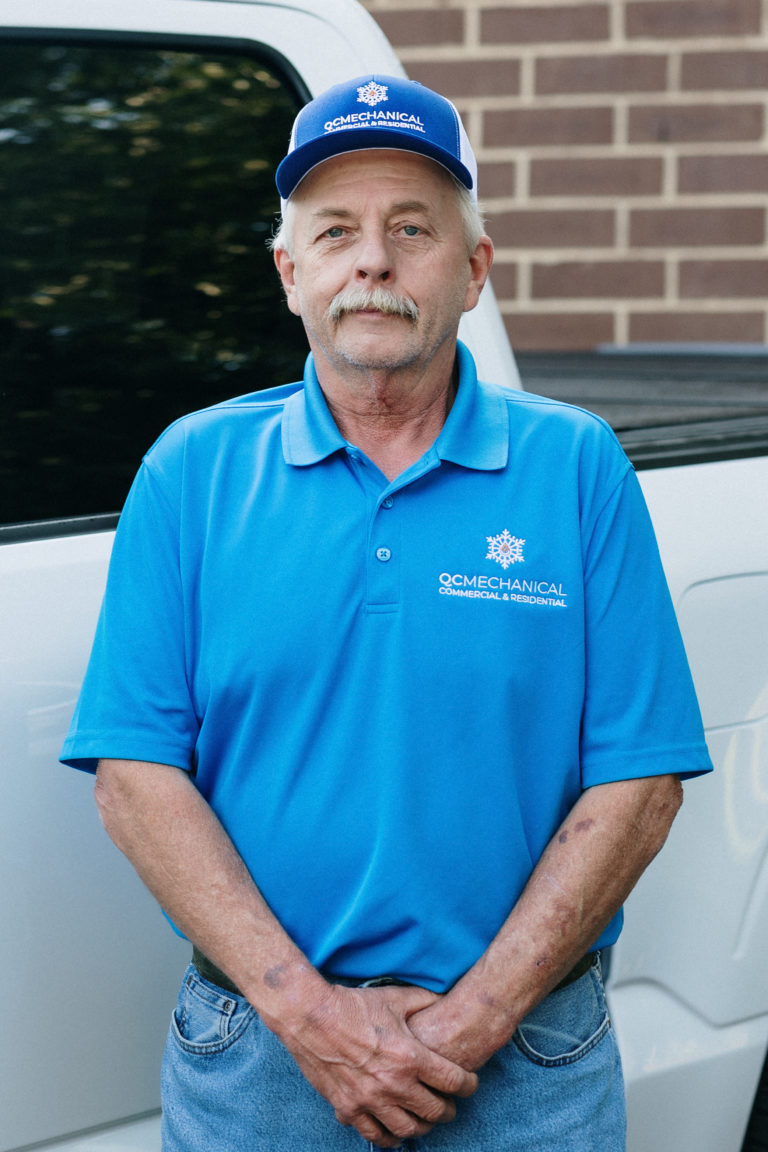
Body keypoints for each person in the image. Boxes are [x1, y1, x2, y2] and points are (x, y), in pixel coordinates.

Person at [61, 74, 712, 1151]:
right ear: (291, 272)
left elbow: (638, 786)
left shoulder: (575, 469)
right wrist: (316, 1020)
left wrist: (476, 1019)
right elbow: (135, 779)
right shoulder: (193, 472)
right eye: (336, 231)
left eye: (412, 228)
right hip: (260, 1057)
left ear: (473, 272)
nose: (372, 259)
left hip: (528, 1062)